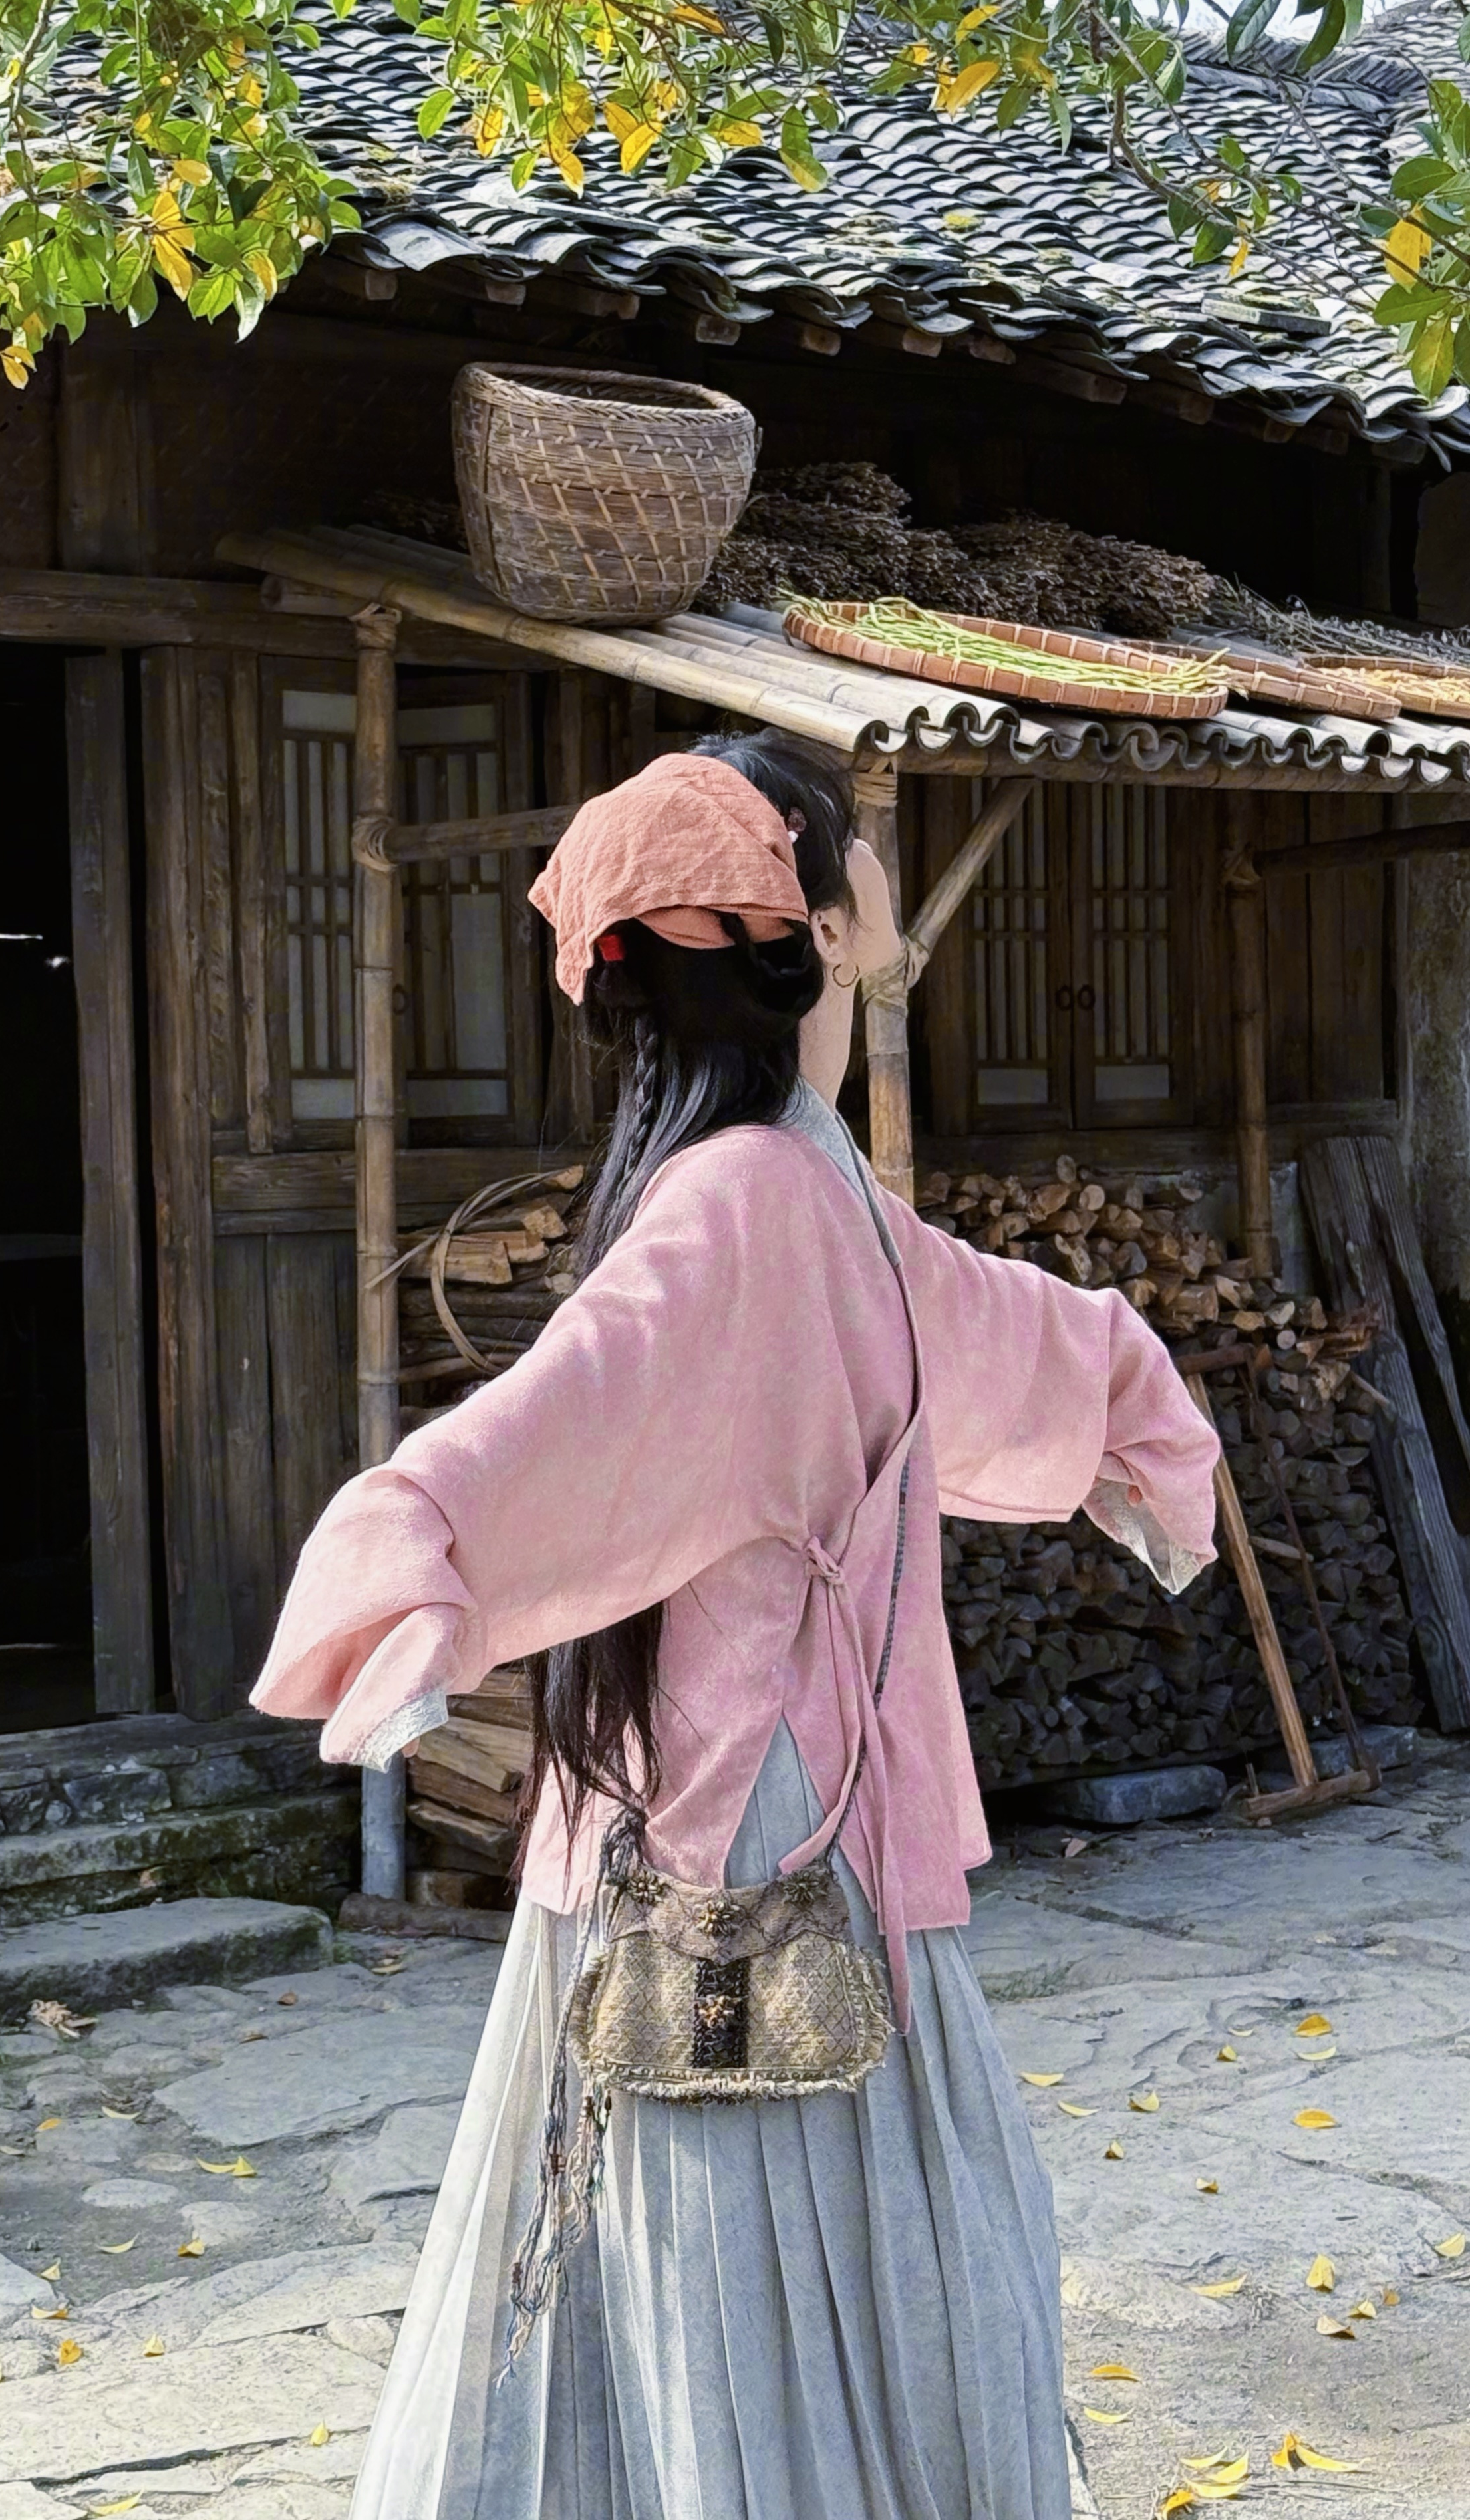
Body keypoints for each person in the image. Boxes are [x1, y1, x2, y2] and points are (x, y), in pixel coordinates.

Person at [252, 733, 1221, 2520]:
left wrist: (1127, 1407)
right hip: (758, 1821)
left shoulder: (778, 1182)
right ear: (814, 930)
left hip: (706, 1804)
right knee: (784, 2255)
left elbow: (995, 1329)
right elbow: (575, 1409)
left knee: (687, 2260)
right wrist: (419, 1549)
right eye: (858, 866)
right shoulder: (759, 1198)